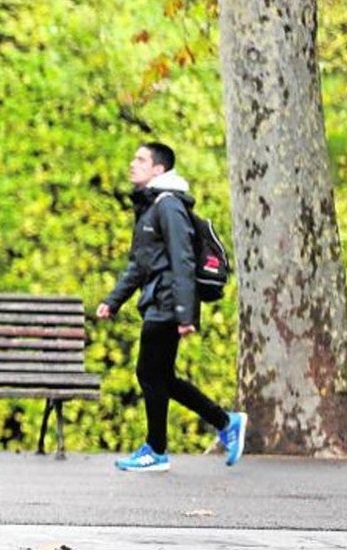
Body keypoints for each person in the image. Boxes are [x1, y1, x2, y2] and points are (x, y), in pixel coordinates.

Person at [97, 141, 247, 472]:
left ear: (158, 169)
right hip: (158, 300)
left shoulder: (169, 206)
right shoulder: (151, 209)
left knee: (150, 374)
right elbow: (139, 264)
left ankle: (157, 449)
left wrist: (185, 314)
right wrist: (113, 300)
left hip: (168, 303)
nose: (132, 164)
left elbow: (183, 259)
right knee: (160, 376)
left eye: (140, 160)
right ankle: (225, 422)